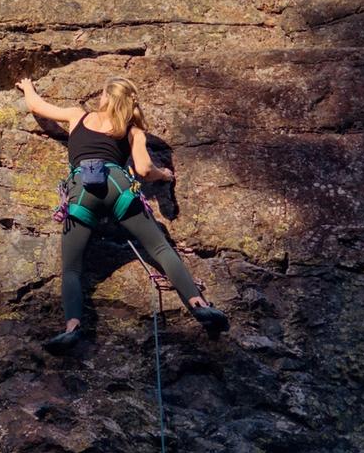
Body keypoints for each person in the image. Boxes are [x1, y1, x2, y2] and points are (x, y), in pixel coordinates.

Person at [15, 75, 230, 354]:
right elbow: (143, 169)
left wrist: (28, 87)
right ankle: (198, 304)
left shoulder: (77, 116)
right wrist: (164, 174)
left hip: (82, 190)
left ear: (105, 97)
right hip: (119, 188)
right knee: (162, 249)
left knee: (72, 268)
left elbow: (37, 107)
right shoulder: (132, 131)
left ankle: (72, 327)